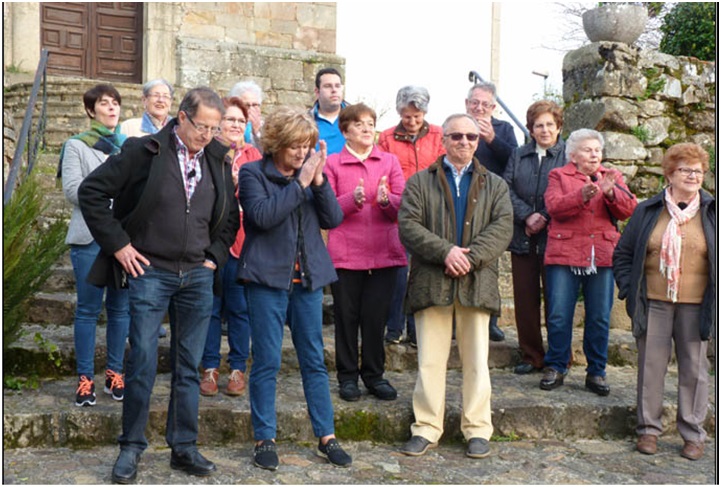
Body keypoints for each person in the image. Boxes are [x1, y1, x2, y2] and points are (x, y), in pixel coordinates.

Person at [78, 87, 239, 483]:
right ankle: (130, 448)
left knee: (188, 365)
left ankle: (183, 447)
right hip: (150, 271)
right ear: (181, 117)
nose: (207, 135)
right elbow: (92, 192)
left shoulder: (218, 160)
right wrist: (119, 245)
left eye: (214, 129)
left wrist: (214, 257)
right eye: (202, 126)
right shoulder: (142, 151)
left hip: (197, 275)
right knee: (144, 361)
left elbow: (230, 217)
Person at [237, 106, 352, 470]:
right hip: (267, 280)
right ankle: (264, 438)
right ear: (276, 145)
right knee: (267, 361)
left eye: (306, 146)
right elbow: (263, 217)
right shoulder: (253, 172)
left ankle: (327, 436)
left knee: (314, 361)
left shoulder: (312, 175)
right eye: (294, 147)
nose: (302, 154)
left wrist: (318, 183)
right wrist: (300, 183)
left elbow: (333, 219)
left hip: (309, 281)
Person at [398, 114, 513, 459]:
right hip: (432, 281)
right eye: (457, 136)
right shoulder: (420, 182)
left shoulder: (495, 184)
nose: (465, 142)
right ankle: (426, 428)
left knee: (477, 361)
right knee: (430, 361)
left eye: (472, 137)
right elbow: (408, 224)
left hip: (476, 282)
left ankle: (477, 429)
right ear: (443, 140)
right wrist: (445, 251)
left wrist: (470, 257)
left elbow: (503, 226)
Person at [613, 143, 714, 461]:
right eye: (686, 169)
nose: (693, 175)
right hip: (654, 302)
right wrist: (630, 289)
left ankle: (693, 434)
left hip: (697, 304)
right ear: (670, 174)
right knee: (651, 367)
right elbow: (623, 254)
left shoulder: (713, 212)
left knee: (695, 371)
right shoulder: (647, 210)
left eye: (698, 170)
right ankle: (648, 431)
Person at [540, 129, 637, 395]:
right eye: (587, 149)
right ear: (573, 154)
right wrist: (583, 194)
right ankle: (557, 366)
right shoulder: (558, 175)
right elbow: (554, 207)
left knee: (599, 317)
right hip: (565, 253)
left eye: (597, 150)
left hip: (601, 255)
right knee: (559, 315)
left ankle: (596, 371)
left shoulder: (611, 176)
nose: (594, 154)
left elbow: (629, 209)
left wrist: (610, 194)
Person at [325, 103, 406, 402]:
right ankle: (347, 377)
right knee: (346, 318)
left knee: (376, 318)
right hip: (346, 255)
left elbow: (402, 207)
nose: (367, 128)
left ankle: (374, 375)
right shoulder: (332, 164)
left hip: (384, 252)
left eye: (371, 123)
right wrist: (352, 199)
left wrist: (385, 201)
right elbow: (327, 210)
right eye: (359, 124)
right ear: (345, 131)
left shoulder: (389, 162)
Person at [60, 83, 129, 407]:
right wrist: (111, 180)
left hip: (122, 238)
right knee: (88, 310)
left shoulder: (128, 146)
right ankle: (85, 378)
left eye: (115, 103)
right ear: (91, 110)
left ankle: (115, 373)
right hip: (88, 236)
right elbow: (74, 191)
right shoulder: (76, 146)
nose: (112, 108)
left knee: (120, 309)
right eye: (104, 103)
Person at [199, 97, 262, 397]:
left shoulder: (254, 156)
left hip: (243, 246)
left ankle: (238, 367)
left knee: (239, 310)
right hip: (211, 244)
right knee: (210, 309)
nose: (236, 125)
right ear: (219, 123)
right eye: (230, 120)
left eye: (241, 121)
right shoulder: (208, 153)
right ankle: (209, 367)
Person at [378, 85, 445, 346]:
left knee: (423, 272)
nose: (413, 122)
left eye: (418, 116)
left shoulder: (439, 134)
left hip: (430, 212)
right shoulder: (386, 137)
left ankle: (417, 330)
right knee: (398, 272)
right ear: (399, 113)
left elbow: (442, 169)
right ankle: (394, 326)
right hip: (399, 211)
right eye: (407, 117)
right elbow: (383, 171)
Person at [502, 100, 566, 375]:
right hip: (523, 238)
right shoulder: (518, 155)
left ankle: (558, 357)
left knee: (557, 301)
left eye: (550, 124)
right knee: (525, 300)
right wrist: (527, 215)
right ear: (530, 129)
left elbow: (570, 191)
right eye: (538, 125)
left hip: (556, 240)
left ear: (559, 127)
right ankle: (531, 356)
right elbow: (504, 187)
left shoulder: (567, 155)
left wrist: (544, 218)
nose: (544, 130)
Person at [465, 81, 518, 342]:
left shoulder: (504, 129)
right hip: (462, 202)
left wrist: (492, 140)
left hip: (491, 204)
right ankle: (458, 318)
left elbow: (514, 160)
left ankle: (491, 321)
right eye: (475, 103)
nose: (479, 108)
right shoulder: (458, 126)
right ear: (467, 104)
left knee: (489, 265)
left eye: (485, 104)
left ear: (494, 107)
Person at [311, 67, 348, 154]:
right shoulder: (305, 122)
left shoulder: (356, 118)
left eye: (337, 86)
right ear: (317, 92)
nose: (334, 90)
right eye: (328, 86)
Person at [229, 80, 263, 149]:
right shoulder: (229, 125)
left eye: (255, 105)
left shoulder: (266, 128)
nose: (251, 110)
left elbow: (266, 154)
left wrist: (256, 133)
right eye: (247, 105)